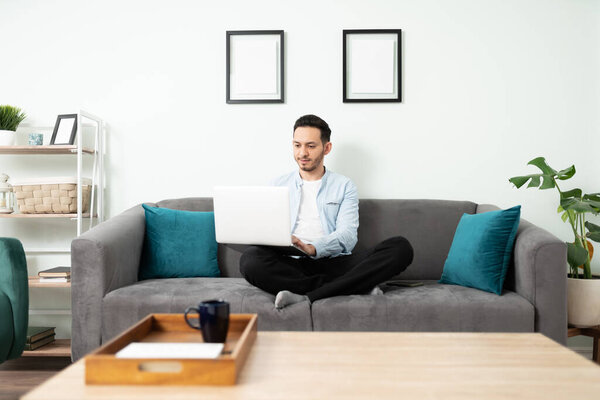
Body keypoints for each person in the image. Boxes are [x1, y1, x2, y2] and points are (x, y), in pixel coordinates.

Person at [239, 114, 414, 309]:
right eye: (297, 145)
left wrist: (313, 248)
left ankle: (307, 295)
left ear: (327, 148)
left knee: (400, 247)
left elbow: (348, 237)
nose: (302, 153)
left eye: (310, 146)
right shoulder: (277, 185)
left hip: (335, 263)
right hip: (291, 265)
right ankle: (353, 286)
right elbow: (268, 231)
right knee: (250, 260)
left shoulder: (344, 185)